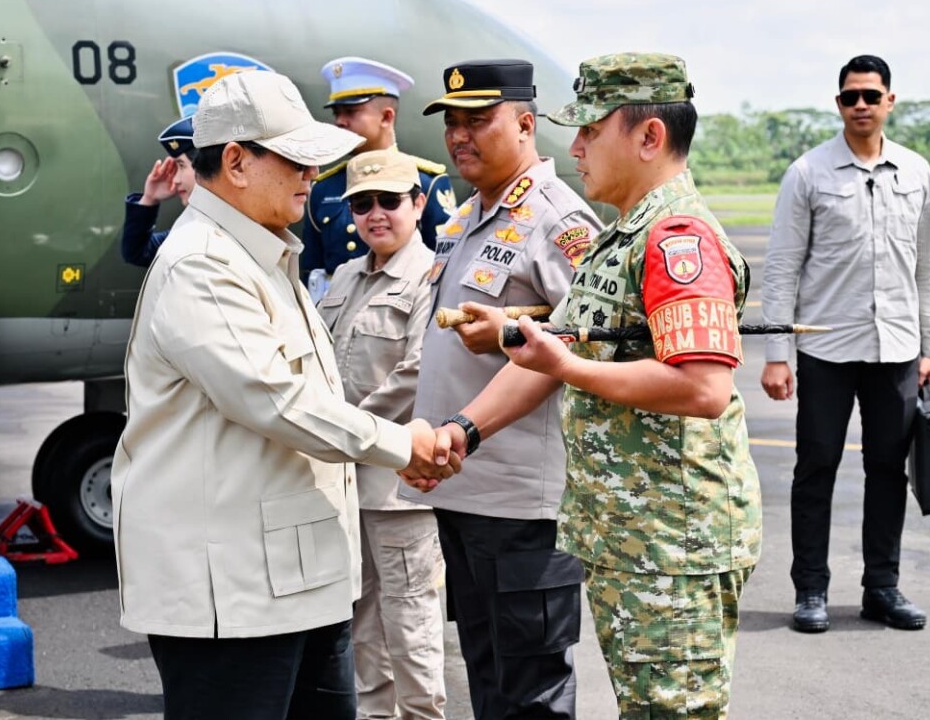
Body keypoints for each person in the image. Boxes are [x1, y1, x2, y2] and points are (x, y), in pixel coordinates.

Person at [112, 70, 459, 720]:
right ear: (236, 162)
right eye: (296, 159)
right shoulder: (204, 263)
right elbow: (275, 399)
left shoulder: (262, 255)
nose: (313, 174)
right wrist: (401, 445)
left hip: (299, 583)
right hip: (235, 596)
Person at [434, 53, 763, 719]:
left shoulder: (678, 237)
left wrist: (567, 368)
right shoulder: (623, 236)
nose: (576, 147)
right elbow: (552, 354)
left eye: (590, 129)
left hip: (673, 540)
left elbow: (703, 387)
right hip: (630, 535)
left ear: (650, 137)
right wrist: (465, 429)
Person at [401, 59, 603, 720]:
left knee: (530, 690)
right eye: (452, 122)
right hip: (462, 489)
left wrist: (511, 332)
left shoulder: (557, 219)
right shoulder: (467, 216)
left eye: (477, 120)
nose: (459, 135)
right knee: (488, 675)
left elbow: (588, 339)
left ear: (524, 124)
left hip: (518, 505)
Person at [760, 54, 930, 634]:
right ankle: (810, 590)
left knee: (888, 471)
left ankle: (881, 588)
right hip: (826, 350)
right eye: (850, 96)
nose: (860, 105)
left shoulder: (916, 172)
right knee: (816, 468)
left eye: (870, 95)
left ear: (890, 100)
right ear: (837, 103)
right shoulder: (808, 173)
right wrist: (776, 354)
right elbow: (782, 267)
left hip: (897, 349)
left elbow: (929, 267)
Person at [317, 149, 446, 720]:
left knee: (409, 620)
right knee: (361, 622)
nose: (375, 214)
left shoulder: (432, 277)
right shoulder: (346, 275)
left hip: (398, 485)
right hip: (343, 479)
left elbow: (418, 372)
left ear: (417, 204)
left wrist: (340, 431)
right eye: (361, 204)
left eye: (389, 201)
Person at [301, 56, 456, 292]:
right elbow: (310, 270)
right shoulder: (323, 188)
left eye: (351, 111)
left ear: (386, 117)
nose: (340, 121)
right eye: (337, 113)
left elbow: (446, 265)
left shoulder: (425, 182)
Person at [121, 116, 197, 267]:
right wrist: (150, 198)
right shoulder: (191, 231)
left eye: (181, 166)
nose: (176, 179)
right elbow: (137, 252)